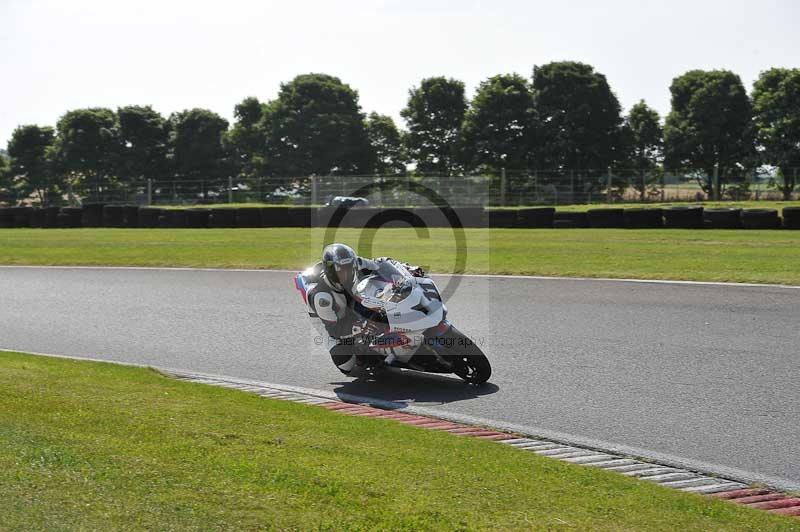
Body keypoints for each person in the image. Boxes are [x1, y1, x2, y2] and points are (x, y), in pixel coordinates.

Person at [301, 243, 425, 375]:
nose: (347, 274)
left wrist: (407, 270)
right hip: (331, 322)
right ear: (331, 271)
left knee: (380, 310)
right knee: (346, 364)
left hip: (351, 298)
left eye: (349, 269)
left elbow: (381, 263)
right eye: (341, 271)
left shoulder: (355, 263)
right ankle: (363, 358)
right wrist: (359, 327)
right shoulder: (321, 297)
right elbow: (334, 330)